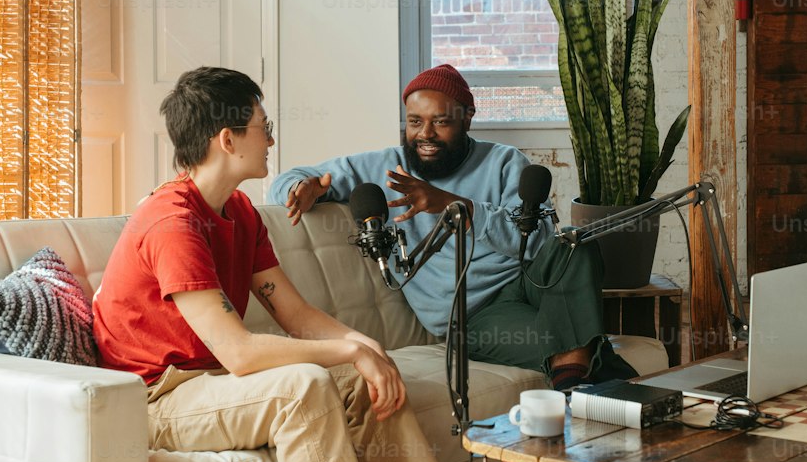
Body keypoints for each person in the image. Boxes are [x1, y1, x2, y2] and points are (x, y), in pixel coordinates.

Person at [92, 66, 517, 462]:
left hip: (209, 383)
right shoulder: (173, 222)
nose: (272, 140)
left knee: (359, 372)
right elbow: (238, 351)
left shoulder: (238, 212)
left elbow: (295, 314)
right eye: (264, 128)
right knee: (303, 386)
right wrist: (345, 351)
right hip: (159, 397)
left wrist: (366, 351)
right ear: (227, 139)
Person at [268, 64, 633, 392]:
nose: (425, 134)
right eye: (415, 121)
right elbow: (289, 180)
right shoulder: (385, 167)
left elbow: (538, 242)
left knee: (575, 242)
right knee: (569, 341)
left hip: (532, 283)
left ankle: (586, 390)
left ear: (467, 118)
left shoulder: (504, 161)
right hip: (473, 316)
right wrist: (305, 190)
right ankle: (588, 386)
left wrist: (458, 206)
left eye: (440, 122)